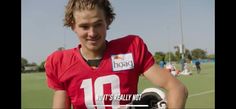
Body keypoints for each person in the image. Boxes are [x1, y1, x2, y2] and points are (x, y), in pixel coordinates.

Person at [44, 0, 188, 109]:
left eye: (98, 24)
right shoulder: (60, 62)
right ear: (72, 25)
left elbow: (177, 88)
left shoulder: (130, 48)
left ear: (108, 20)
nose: (92, 33)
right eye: (84, 26)